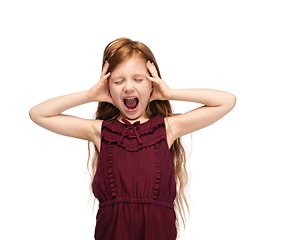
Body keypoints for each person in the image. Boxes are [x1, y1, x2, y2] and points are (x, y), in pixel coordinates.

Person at [29, 38, 236, 240]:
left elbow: (226, 101)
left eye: (138, 79)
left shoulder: (167, 129)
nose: (128, 87)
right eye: (119, 81)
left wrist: (170, 92)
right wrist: (89, 96)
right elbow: (39, 114)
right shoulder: (101, 131)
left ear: (152, 85)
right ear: (108, 87)